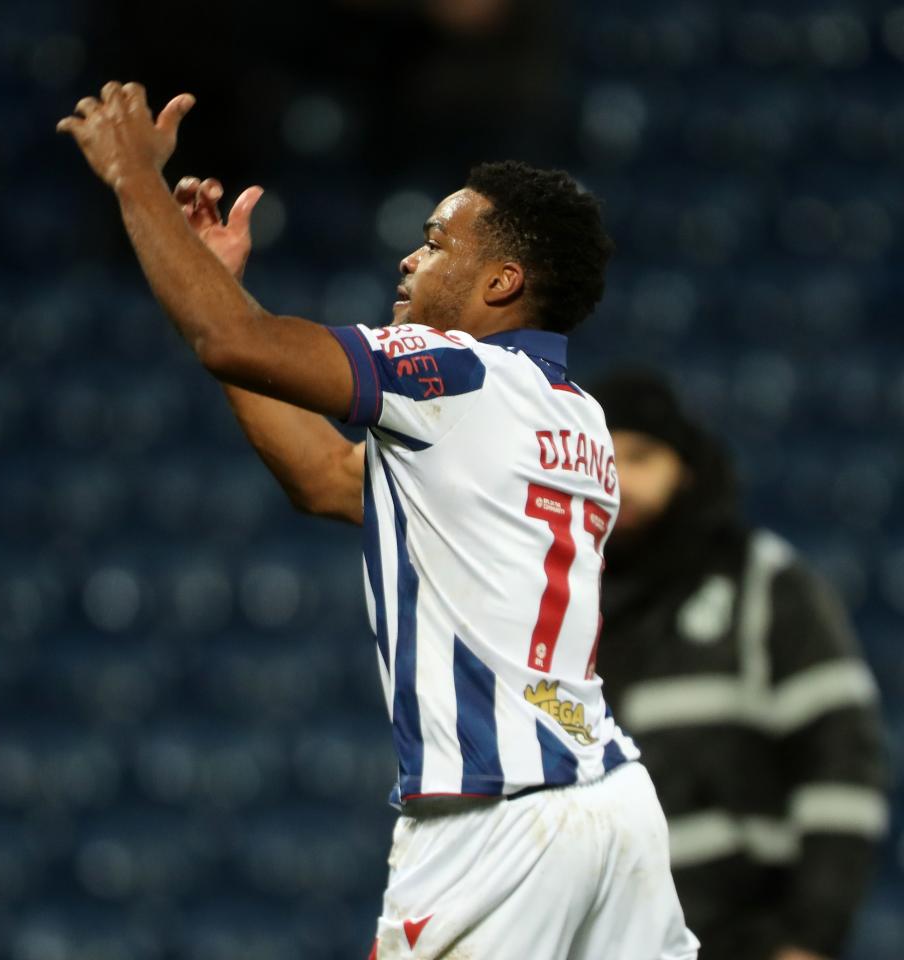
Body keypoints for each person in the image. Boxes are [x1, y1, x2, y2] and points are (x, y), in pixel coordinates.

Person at [57, 81, 699, 960]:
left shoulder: (454, 375)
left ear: (502, 280)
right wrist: (214, 282)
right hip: (612, 808)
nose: (410, 258)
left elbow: (234, 341)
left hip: (495, 824)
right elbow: (326, 476)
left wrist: (134, 181)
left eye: (438, 242)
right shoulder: (576, 415)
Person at [589, 371, 889, 960]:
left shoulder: (766, 585)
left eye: (642, 457)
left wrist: (810, 936)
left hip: (746, 940)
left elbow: (842, 765)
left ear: (688, 470)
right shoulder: (558, 601)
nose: (620, 480)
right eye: (604, 457)